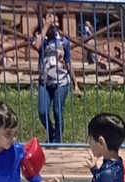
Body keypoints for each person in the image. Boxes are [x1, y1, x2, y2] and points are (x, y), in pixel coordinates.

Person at [32, 9, 81, 144]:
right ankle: (52, 133)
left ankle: (57, 141)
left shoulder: (63, 41)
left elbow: (68, 62)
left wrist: (75, 83)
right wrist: (46, 27)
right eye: (51, 19)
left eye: (56, 21)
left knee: (58, 111)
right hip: (45, 81)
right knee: (43, 112)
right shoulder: (41, 38)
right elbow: (36, 46)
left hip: (62, 81)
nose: (54, 23)